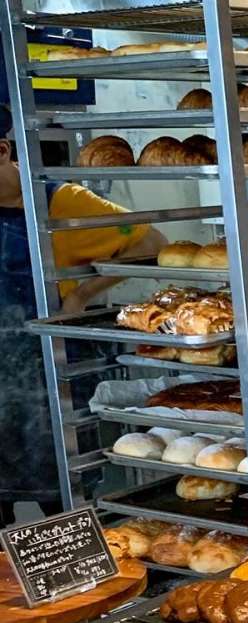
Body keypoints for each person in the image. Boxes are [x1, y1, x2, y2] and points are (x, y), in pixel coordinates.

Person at [0, 113, 161, 520]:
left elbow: (150, 244)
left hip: (49, 386)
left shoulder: (61, 203)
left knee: (66, 507)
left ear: (2, 151)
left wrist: (81, 296)